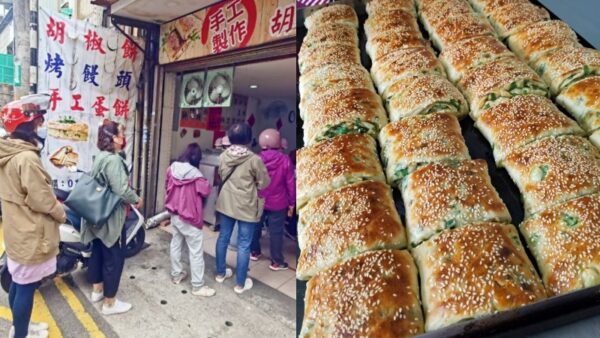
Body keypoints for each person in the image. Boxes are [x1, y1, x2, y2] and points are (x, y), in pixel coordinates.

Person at [0, 94, 64, 338]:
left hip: (16, 230)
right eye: (37, 123)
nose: (41, 127)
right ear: (26, 127)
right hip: (30, 233)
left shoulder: (8, 152)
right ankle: (21, 334)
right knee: (25, 286)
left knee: (18, 280)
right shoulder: (26, 158)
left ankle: (20, 326)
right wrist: (60, 214)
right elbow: (42, 200)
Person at [81, 120, 142, 316]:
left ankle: (97, 290)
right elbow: (121, 189)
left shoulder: (101, 156)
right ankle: (110, 303)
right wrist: (137, 199)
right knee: (114, 258)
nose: (123, 138)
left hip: (98, 215)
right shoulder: (114, 160)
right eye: (121, 134)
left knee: (98, 251)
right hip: (110, 217)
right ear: (114, 138)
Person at [215, 123, 270, 294]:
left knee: (223, 237)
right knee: (244, 245)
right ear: (249, 139)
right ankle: (240, 283)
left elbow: (222, 175)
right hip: (246, 205)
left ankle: (220, 273)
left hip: (226, 202)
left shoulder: (223, 156)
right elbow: (264, 183)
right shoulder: (255, 160)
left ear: (230, 138)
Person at [164, 143, 215, 297]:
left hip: (175, 214)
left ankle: (176, 274)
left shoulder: (171, 169)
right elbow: (206, 191)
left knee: (176, 243)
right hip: (190, 218)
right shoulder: (197, 176)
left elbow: (167, 185)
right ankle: (198, 286)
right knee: (196, 252)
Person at [250, 129, 295, 270]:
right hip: (278, 203)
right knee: (276, 233)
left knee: (255, 227)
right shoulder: (285, 160)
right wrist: (292, 202)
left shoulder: (256, 159)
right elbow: (290, 183)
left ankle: (255, 252)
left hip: (259, 200)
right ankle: (276, 262)